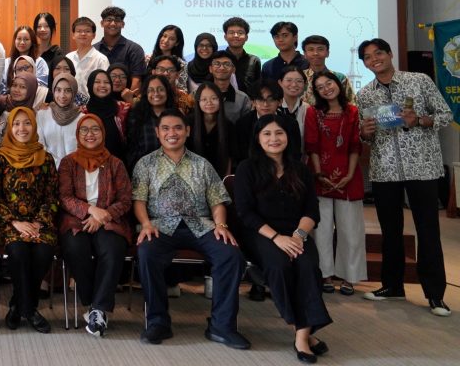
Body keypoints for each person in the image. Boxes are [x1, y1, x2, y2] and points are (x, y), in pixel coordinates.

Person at [133, 109, 248, 349]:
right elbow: (139, 201)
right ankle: (158, 321)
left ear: (187, 131)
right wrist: (145, 223)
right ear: (157, 132)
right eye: (165, 128)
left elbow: (217, 200)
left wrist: (221, 225)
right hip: (160, 225)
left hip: (200, 225)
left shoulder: (202, 164)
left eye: (177, 128)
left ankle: (222, 326)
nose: (171, 133)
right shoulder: (146, 164)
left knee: (230, 254)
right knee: (146, 253)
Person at [356, 38, 451, 317]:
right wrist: (366, 133)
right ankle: (392, 286)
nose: (374, 60)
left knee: (428, 230)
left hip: (422, 166)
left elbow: (446, 114)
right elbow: (368, 139)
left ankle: (435, 295)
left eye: (379, 53)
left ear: (390, 54)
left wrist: (420, 120)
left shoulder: (418, 81)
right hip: (385, 170)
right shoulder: (364, 95)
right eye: (368, 57)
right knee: (390, 231)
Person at [235, 115, 331, 363]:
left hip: (296, 232)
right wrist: (277, 238)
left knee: (308, 266)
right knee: (278, 266)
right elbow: (245, 213)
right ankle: (303, 333)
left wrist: (298, 236)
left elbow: (312, 211)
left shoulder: (300, 168)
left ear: (289, 137)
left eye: (279, 133)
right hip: (261, 233)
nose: (273, 139)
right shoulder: (247, 168)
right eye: (267, 133)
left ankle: (302, 334)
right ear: (258, 138)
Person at [57, 114, 132, 337]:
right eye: (84, 130)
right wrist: (90, 211)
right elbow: (64, 197)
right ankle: (92, 302)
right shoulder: (68, 162)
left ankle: (98, 309)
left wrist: (104, 215)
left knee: (113, 249)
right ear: (78, 134)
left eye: (95, 129)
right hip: (76, 220)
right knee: (75, 248)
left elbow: (126, 199)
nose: (90, 134)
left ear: (103, 133)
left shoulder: (115, 163)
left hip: (108, 220)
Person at [0, 107, 59, 334]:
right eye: (16, 124)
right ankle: (30, 310)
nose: (22, 128)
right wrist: (16, 223)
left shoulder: (46, 159)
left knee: (43, 252)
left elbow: (52, 196)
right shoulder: (0, 159)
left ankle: (17, 306)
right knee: (18, 252)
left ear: (34, 126)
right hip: (9, 223)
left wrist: (38, 223)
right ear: (10, 127)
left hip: (39, 223)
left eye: (26, 123)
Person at [306, 70, 365, 297]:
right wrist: (319, 174)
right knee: (321, 230)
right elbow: (311, 146)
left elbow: (354, 146)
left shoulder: (353, 111)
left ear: (338, 83)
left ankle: (350, 277)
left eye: (328, 83)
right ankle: (325, 274)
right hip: (320, 176)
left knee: (351, 230)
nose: (326, 88)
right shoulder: (313, 112)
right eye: (320, 86)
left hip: (348, 177)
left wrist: (349, 175)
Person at [124, 74, 177, 170]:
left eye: (160, 89)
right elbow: (131, 149)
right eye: (151, 90)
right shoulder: (136, 117)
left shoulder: (176, 116)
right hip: (144, 172)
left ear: (167, 92)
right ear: (146, 94)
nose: (156, 93)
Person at [93, 7, 146, 91]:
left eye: (117, 20)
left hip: (126, 101)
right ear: (102, 23)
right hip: (99, 100)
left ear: (123, 24)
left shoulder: (135, 49)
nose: (113, 23)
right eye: (109, 20)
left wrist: (127, 102)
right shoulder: (94, 50)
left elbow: (137, 80)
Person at [190, 82, 236, 178]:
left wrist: (225, 179)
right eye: (204, 99)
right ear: (198, 101)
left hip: (219, 176)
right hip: (193, 176)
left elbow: (229, 156)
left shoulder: (229, 125)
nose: (209, 102)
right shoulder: (189, 122)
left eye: (214, 98)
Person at [84, 69, 130, 164]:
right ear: (90, 85)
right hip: (90, 164)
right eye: (97, 82)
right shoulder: (83, 112)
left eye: (106, 82)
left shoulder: (123, 108)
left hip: (119, 163)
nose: (102, 85)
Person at [235, 81, 283, 166]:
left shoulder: (290, 123)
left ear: (280, 102)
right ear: (253, 102)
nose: (265, 104)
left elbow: (293, 154)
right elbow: (242, 155)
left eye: (271, 99)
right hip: (252, 170)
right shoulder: (243, 124)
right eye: (260, 99)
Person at [36, 74, 81, 168]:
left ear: (74, 92)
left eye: (68, 90)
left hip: (75, 169)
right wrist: (57, 164)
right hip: (49, 169)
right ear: (53, 91)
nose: (62, 95)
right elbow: (40, 145)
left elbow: (82, 148)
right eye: (58, 90)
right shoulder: (42, 114)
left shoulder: (81, 118)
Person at [301, 35, 356, 106]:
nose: (315, 53)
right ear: (305, 54)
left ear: (327, 53)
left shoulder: (340, 78)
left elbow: (352, 104)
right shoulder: (299, 77)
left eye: (320, 49)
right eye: (311, 50)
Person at [67, 17, 110, 98]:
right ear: (73, 35)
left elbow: (105, 86)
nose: (83, 34)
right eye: (79, 31)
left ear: (94, 35)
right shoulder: (68, 58)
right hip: (69, 105)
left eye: (87, 31)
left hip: (92, 106)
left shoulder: (101, 59)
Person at [222, 17, 261, 95]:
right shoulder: (218, 60)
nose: (236, 36)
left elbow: (258, 86)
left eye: (240, 33)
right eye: (232, 32)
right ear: (225, 37)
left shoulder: (254, 61)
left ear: (246, 37)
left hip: (249, 104)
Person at [210, 50, 252, 122]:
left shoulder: (242, 99)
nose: (222, 68)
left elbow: (246, 127)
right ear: (210, 69)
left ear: (233, 69)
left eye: (226, 64)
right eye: (217, 64)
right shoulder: (198, 95)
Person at [147, 25, 188, 91]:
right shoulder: (147, 60)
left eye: (171, 39)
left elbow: (182, 90)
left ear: (177, 43)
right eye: (164, 36)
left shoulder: (181, 65)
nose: (166, 41)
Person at [279, 66, 310, 141]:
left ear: (305, 84)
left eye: (299, 81)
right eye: (289, 80)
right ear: (280, 82)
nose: (293, 85)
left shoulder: (307, 109)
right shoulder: (273, 107)